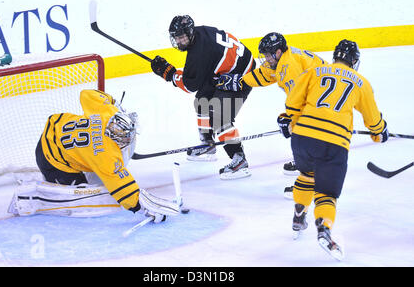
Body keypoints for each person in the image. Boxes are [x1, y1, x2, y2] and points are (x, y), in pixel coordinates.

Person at [281, 39, 389, 260]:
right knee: (327, 193)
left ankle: (298, 216)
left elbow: (293, 100)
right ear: (355, 61)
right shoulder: (361, 82)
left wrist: (288, 118)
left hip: (302, 137)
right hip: (334, 143)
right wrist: (380, 131)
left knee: (306, 174)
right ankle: (324, 229)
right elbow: (373, 120)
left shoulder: (314, 71)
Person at [8, 89, 179, 222]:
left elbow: (87, 94)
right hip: (52, 160)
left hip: (54, 130)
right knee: (84, 196)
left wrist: (113, 102)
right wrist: (141, 207)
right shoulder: (106, 154)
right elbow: (123, 188)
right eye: (124, 139)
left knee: (96, 177)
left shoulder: (107, 112)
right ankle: (29, 198)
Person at [150, 15, 255, 180]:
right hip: (228, 70)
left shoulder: (199, 52)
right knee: (202, 101)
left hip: (241, 76)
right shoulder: (199, 35)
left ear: (190, 33)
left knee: (219, 116)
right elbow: (198, 77)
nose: (179, 41)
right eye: (177, 38)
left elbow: (190, 85)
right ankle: (208, 144)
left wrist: (168, 73)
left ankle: (239, 158)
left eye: (182, 37)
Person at [216, 32, 327, 178]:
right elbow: (265, 74)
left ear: (278, 51)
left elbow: (299, 101)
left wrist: (291, 121)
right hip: (319, 92)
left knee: (302, 123)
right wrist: (241, 81)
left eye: (268, 55)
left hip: (323, 98)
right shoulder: (281, 60)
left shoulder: (289, 67)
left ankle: (309, 160)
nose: (266, 59)